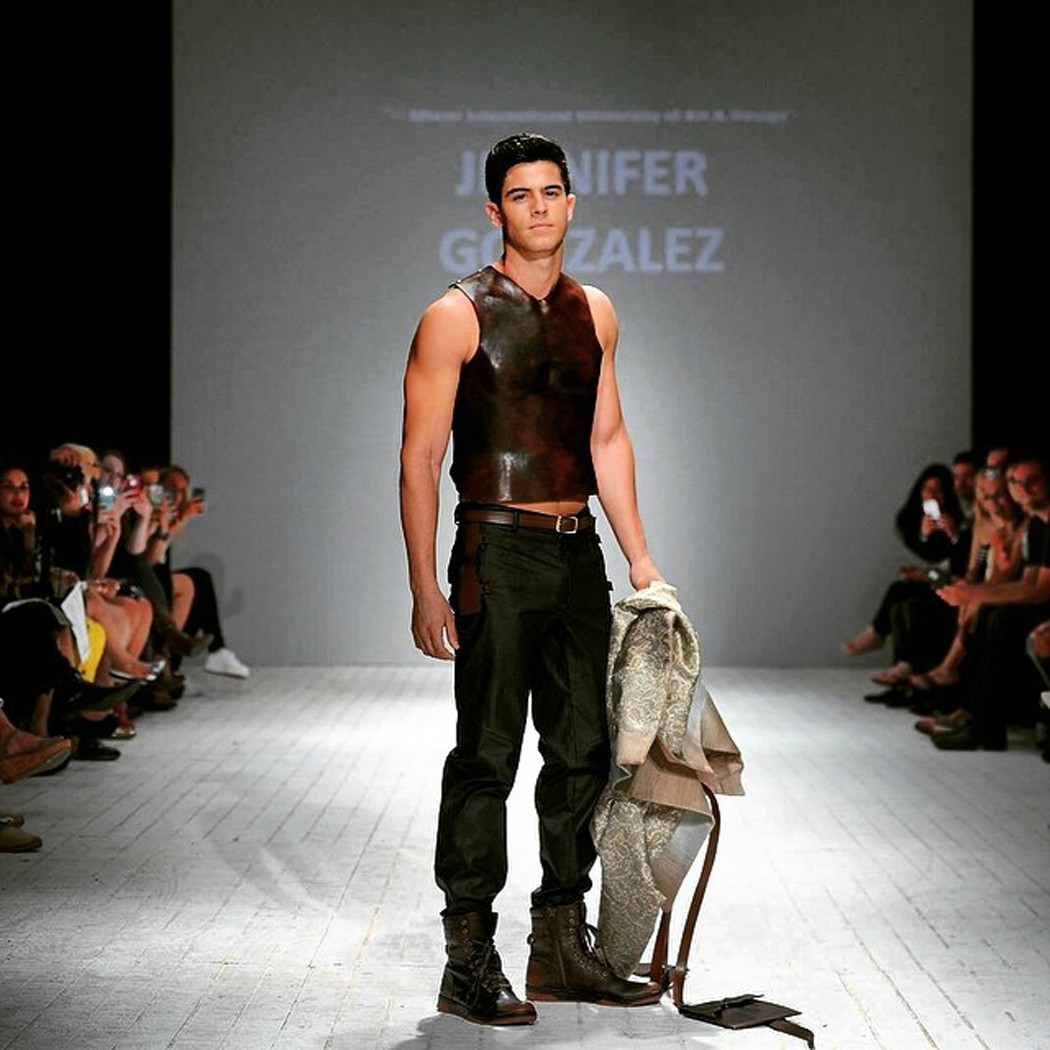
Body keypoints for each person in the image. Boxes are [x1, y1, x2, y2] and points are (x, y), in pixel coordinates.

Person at [399, 132, 664, 1028]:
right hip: (497, 549)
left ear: (572, 203)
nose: (540, 207)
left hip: (577, 550)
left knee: (585, 747)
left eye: (552, 192)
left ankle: (558, 947)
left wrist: (640, 555)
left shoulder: (597, 312)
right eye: (521, 195)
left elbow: (607, 439)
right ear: (494, 210)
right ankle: (468, 959)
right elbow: (420, 455)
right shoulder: (455, 314)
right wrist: (425, 586)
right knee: (488, 753)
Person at [931, 450, 1050, 750]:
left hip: (1040, 606)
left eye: (1032, 480)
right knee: (987, 614)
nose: (1023, 488)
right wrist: (970, 590)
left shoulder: (1029, 526)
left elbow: (1035, 589)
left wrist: (974, 593)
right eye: (1015, 482)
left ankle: (981, 718)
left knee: (998, 618)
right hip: (1033, 602)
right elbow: (1024, 582)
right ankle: (979, 719)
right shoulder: (1035, 525)